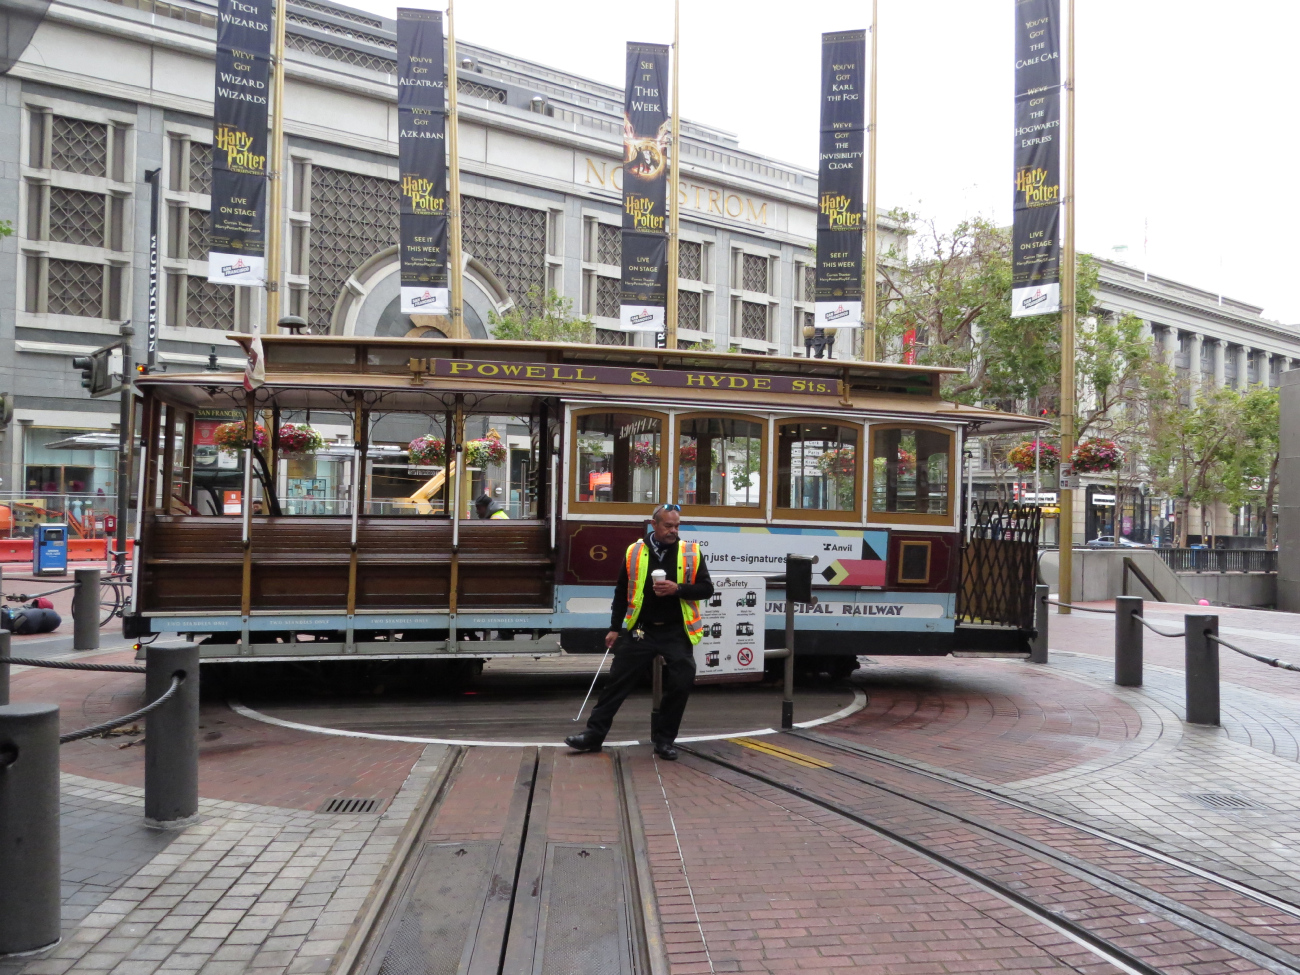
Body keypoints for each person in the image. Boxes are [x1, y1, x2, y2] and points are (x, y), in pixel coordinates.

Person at [565, 504, 713, 760]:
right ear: (653, 525)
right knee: (617, 682)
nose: (673, 531)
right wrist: (614, 627)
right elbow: (622, 591)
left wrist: (677, 589)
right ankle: (593, 736)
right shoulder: (635, 551)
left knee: (681, 681)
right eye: (668, 525)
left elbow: (706, 589)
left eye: (677, 526)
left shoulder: (691, 552)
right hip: (642, 630)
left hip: (676, 631)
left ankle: (664, 740)